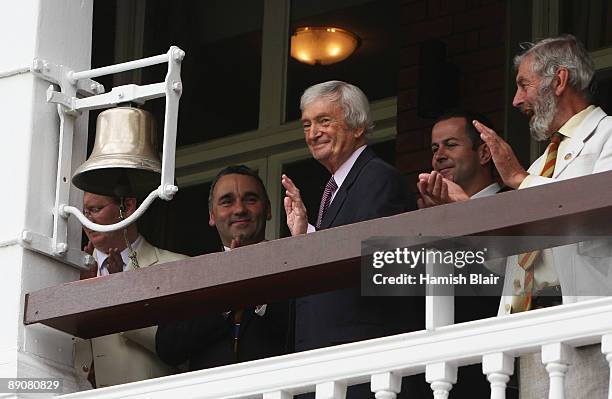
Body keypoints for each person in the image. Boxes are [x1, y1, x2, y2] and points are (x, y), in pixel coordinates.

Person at [470, 35, 612, 399]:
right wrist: (470, 212)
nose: (517, 101)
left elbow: (596, 214)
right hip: (532, 335)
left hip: (589, 332)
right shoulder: (539, 165)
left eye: (523, 85)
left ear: (559, 81)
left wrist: (519, 180)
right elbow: (511, 264)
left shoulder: (607, 136)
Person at [282, 81, 421, 398]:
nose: (313, 132)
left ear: (357, 126)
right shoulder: (337, 186)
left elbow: (374, 266)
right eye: (307, 124)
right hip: (331, 369)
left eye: (324, 121)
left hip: (365, 369)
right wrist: (306, 234)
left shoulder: (377, 179)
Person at [156, 165, 293, 371]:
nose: (239, 209)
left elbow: (306, 328)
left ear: (269, 210)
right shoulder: (193, 273)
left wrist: (258, 293)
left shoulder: (291, 264)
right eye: (227, 201)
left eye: (250, 199)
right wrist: (226, 298)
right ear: (212, 215)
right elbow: (168, 347)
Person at [74, 192, 188, 388]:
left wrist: (123, 291)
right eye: (83, 213)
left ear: (127, 207)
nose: (87, 220)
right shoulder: (67, 276)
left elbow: (187, 354)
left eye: (95, 209)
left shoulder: (178, 267)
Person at [417, 110, 500, 208]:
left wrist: (464, 208)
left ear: (484, 153)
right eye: (435, 149)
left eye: (451, 145)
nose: (438, 156)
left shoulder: (511, 202)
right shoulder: (434, 210)